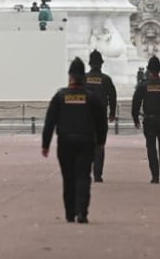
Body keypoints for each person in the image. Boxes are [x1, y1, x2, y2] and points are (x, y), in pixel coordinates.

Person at [41, 57, 108, 224]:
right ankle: (82, 212)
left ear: (70, 76)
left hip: (65, 142)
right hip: (86, 141)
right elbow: (101, 122)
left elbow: (50, 121)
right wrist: (101, 140)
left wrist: (45, 144)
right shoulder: (91, 97)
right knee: (84, 176)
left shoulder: (60, 96)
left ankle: (70, 213)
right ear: (83, 78)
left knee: (68, 177)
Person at [84, 50, 117, 182]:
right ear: (101, 64)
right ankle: (97, 174)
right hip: (100, 118)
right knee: (100, 145)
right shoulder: (106, 79)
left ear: (90, 64)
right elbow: (113, 97)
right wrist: (112, 112)